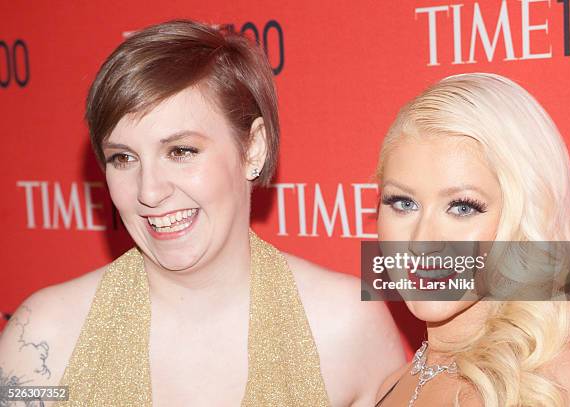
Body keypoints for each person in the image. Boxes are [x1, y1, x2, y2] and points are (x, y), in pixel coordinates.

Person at [0, 20, 404, 406]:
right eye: (123, 158)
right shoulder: (43, 337)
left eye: (181, 151)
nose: (149, 191)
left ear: (254, 149)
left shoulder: (346, 326)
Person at [373, 73, 570, 406]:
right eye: (403, 203)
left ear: (521, 218)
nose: (421, 241)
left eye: (462, 207)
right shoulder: (392, 384)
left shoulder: (569, 387)